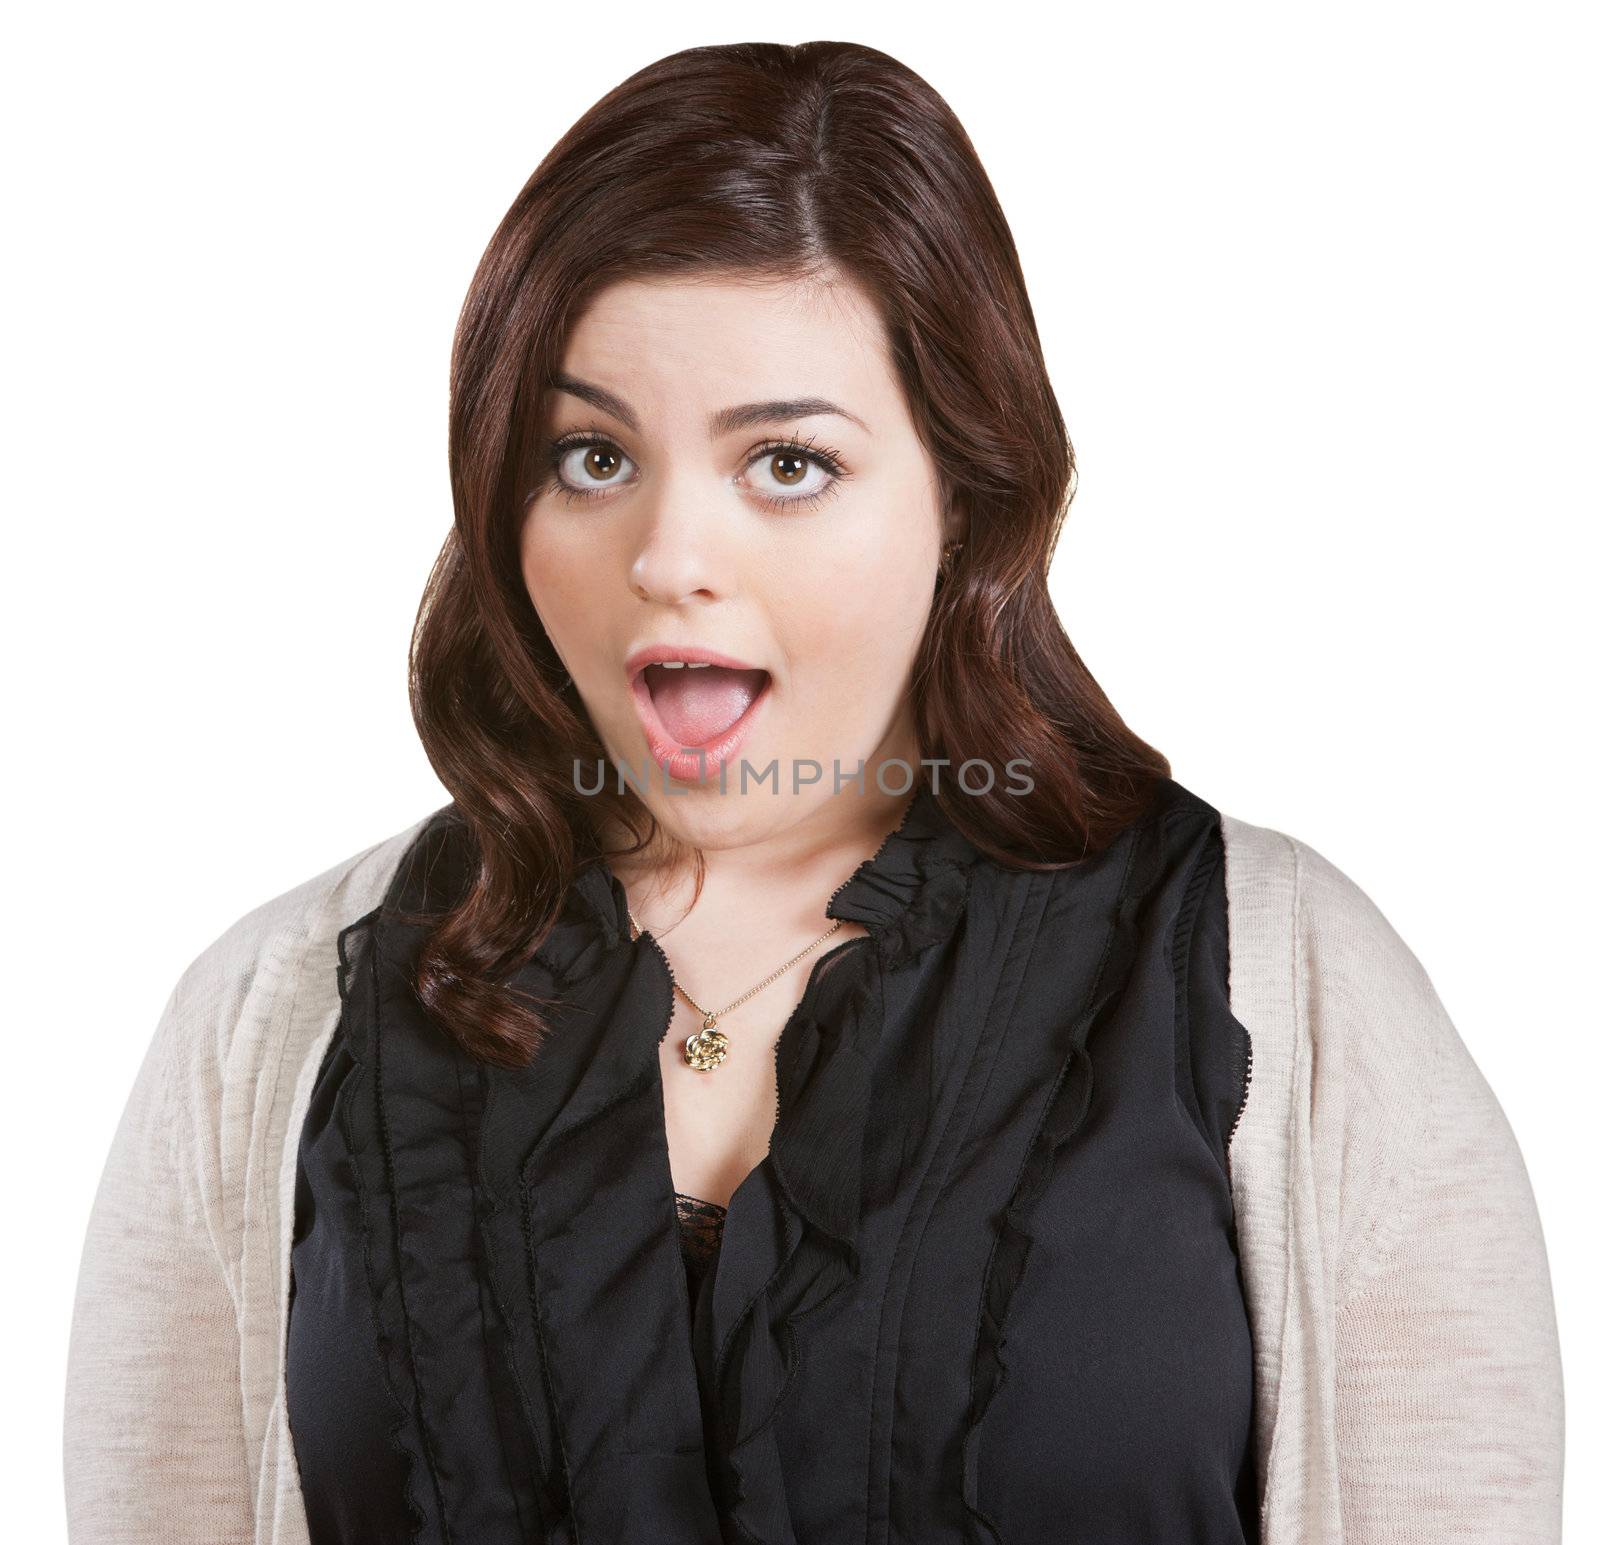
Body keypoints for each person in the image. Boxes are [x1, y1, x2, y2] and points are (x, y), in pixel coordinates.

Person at [63, 39, 1563, 1545]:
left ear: (965, 494)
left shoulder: (1291, 991)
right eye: (590, 456)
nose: (667, 555)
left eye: (785, 462)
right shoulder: (268, 1016)